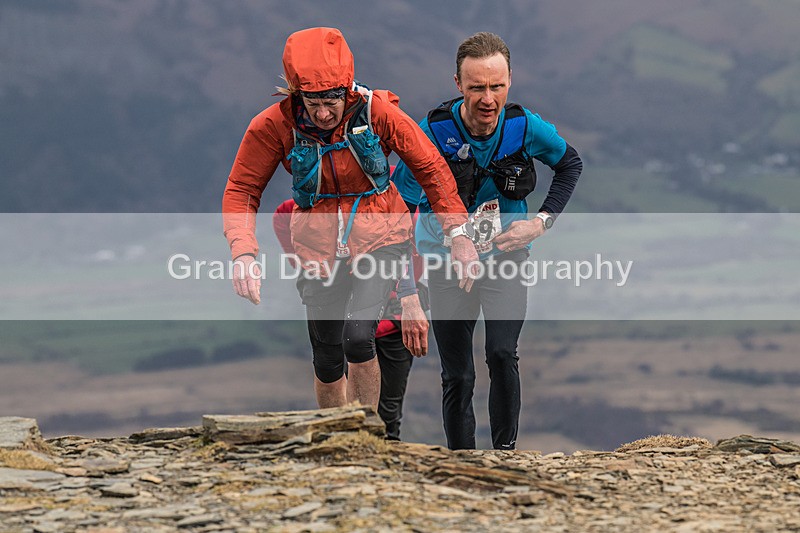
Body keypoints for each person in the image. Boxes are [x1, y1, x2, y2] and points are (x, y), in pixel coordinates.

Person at [222, 27, 478, 413]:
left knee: (358, 339)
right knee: (326, 357)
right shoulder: (274, 125)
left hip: (381, 235)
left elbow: (430, 167)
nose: (323, 113)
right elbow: (242, 188)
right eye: (312, 103)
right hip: (318, 246)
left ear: (347, 90)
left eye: (332, 101)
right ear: (295, 93)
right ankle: (334, 438)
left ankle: (362, 436)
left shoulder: (378, 113)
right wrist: (243, 252)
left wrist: (458, 233)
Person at [392, 32, 583, 450]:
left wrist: (541, 223)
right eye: (476, 87)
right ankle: (462, 465)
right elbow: (398, 207)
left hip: (505, 258)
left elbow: (570, 164)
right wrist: (406, 288)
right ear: (457, 85)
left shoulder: (523, 126)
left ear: (510, 80)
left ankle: (505, 456)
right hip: (444, 262)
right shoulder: (432, 134)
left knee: (501, 354)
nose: (487, 98)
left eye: (496, 86)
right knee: (457, 373)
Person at [273, 192, 428, 440]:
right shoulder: (317, 196)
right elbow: (284, 215)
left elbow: (411, 243)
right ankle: (346, 446)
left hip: (390, 321)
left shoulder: (395, 187)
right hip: (351, 323)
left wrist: (399, 288)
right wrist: (312, 259)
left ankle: (374, 464)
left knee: (388, 415)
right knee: (341, 387)